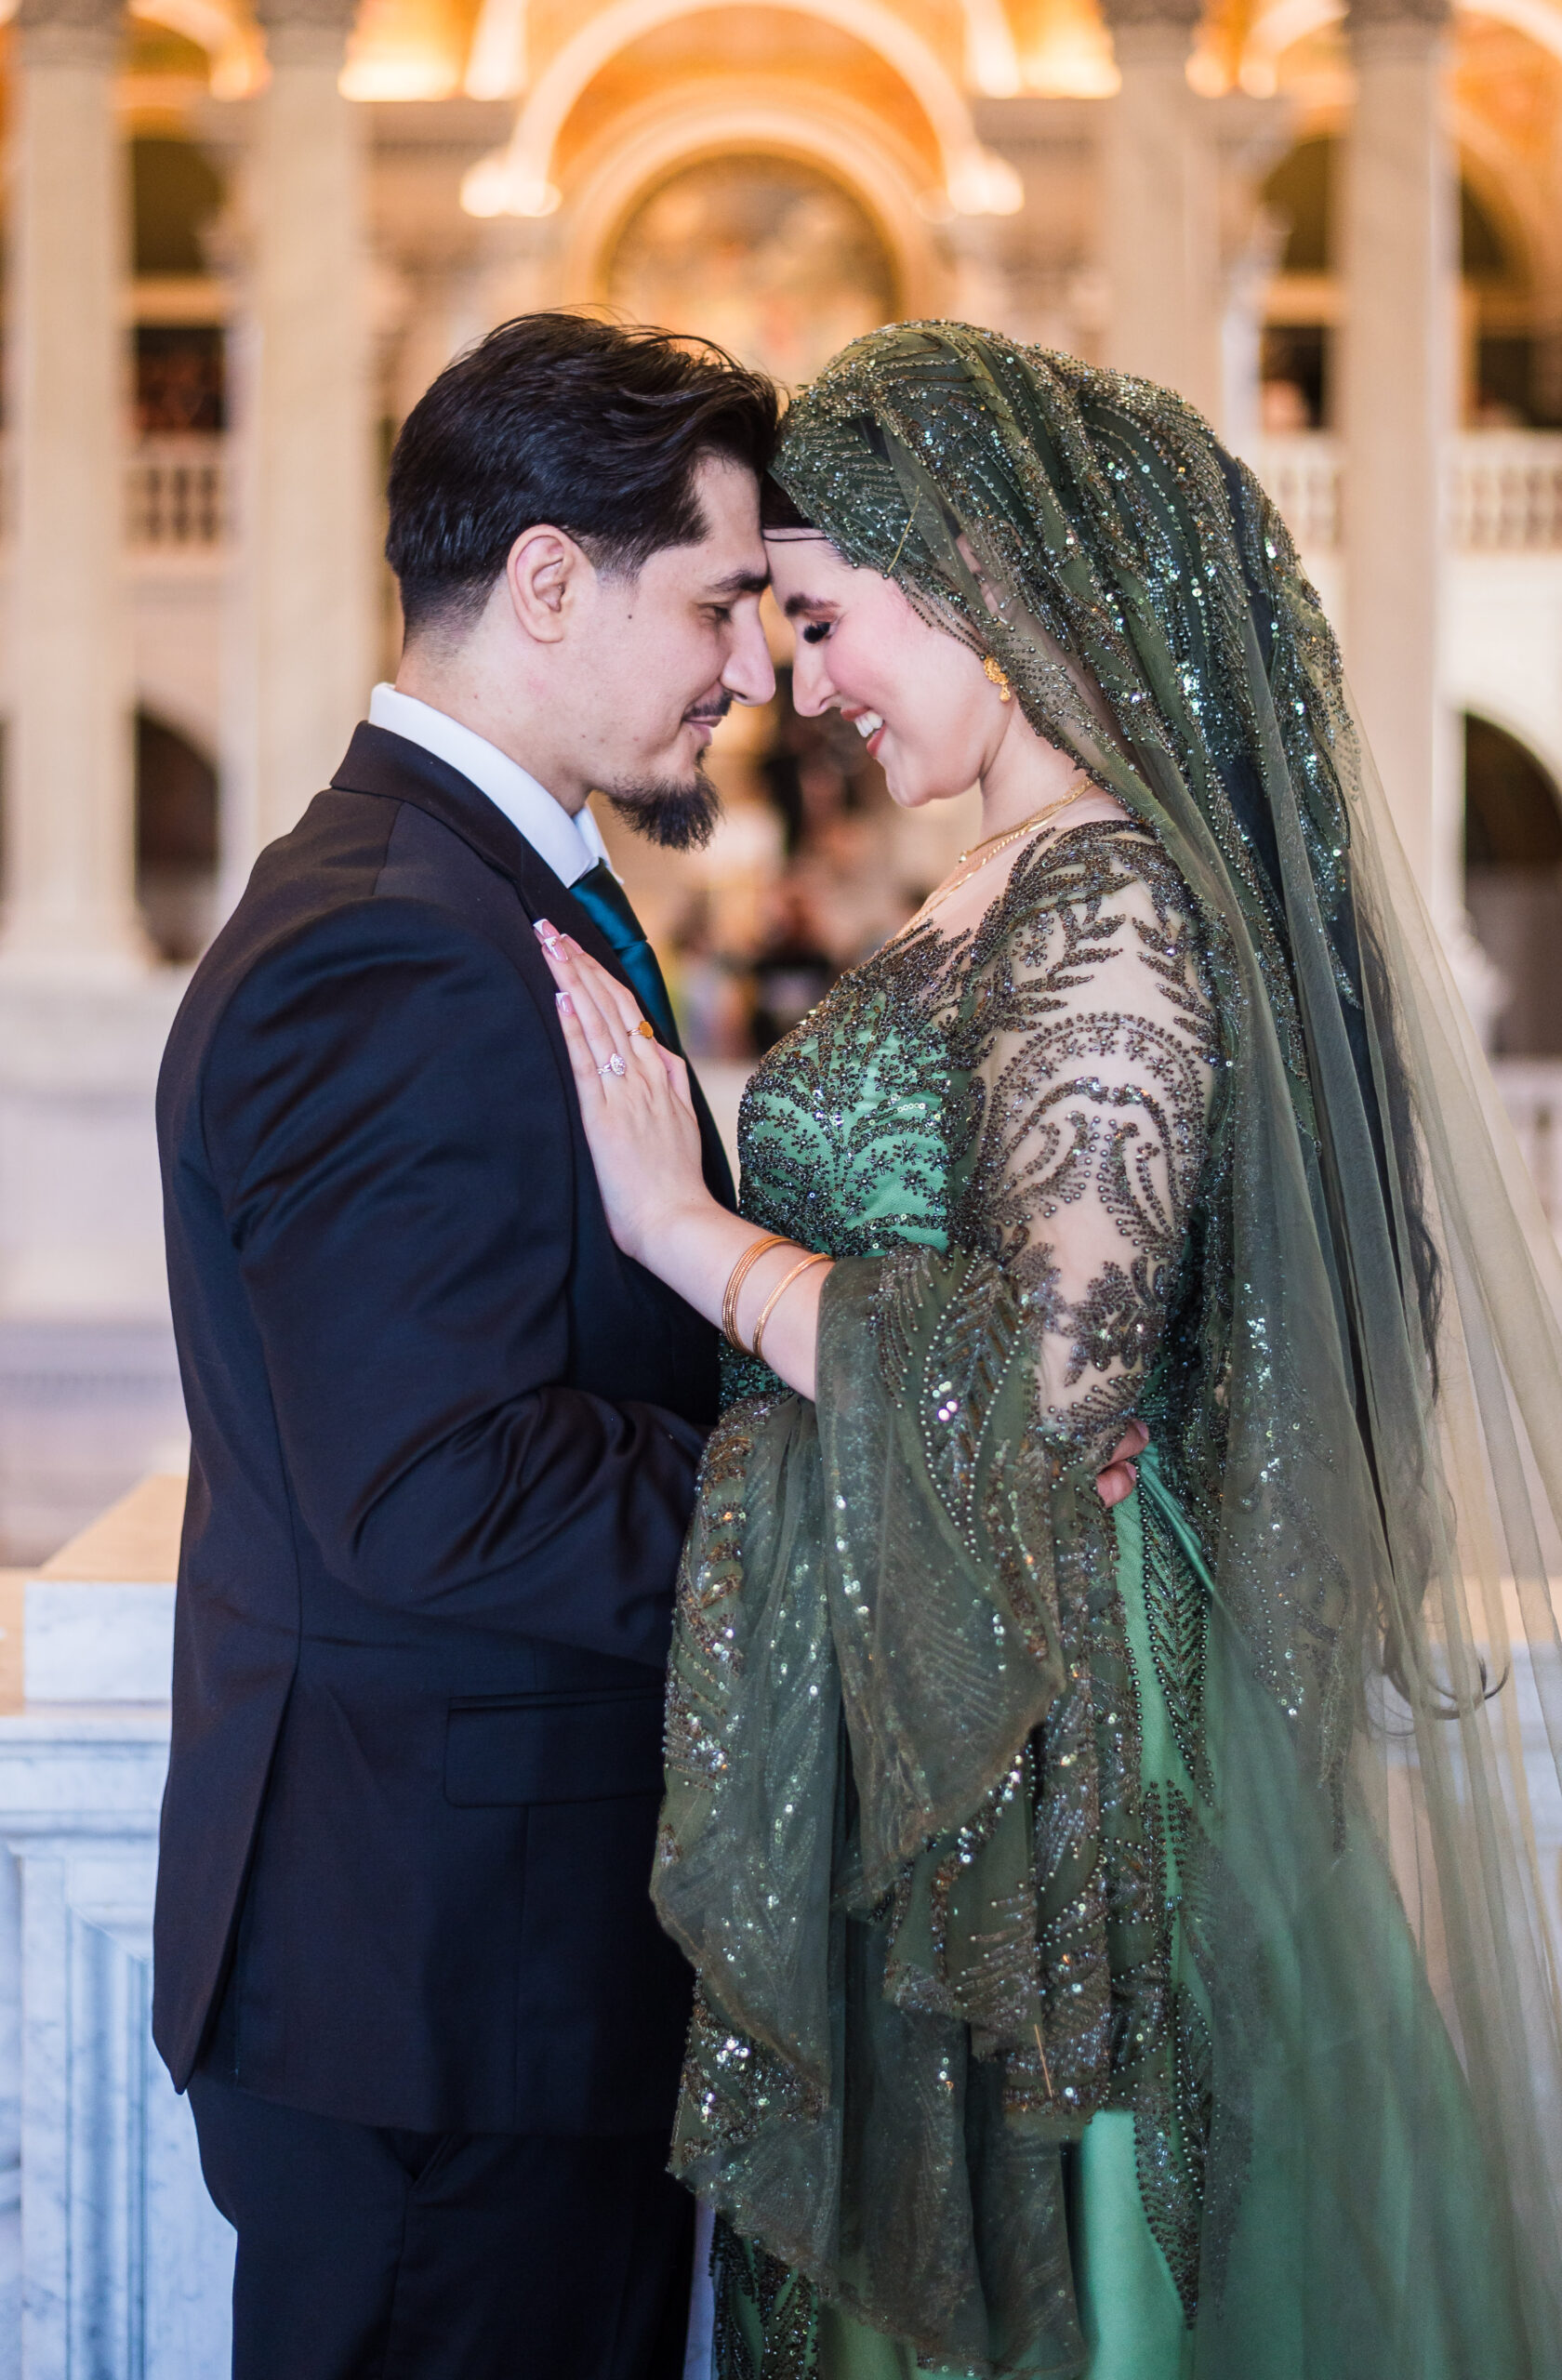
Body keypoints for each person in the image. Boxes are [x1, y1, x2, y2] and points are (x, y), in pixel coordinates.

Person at [536, 324, 1562, 2377]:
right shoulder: (1011, 878)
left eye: (824, 619)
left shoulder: (1107, 899)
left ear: (981, 579)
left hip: (1060, 1729)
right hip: (965, 1665)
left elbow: (1048, 1391)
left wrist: (682, 1231)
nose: (800, 684)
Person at [152, 311, 779, 2380]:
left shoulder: (468, 891)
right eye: (716, 603)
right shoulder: (387, 941)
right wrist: (849, 1498)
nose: (750, 669)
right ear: (547, 579)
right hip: (436, 1998)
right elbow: (441, 1483)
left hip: (491, 1971)